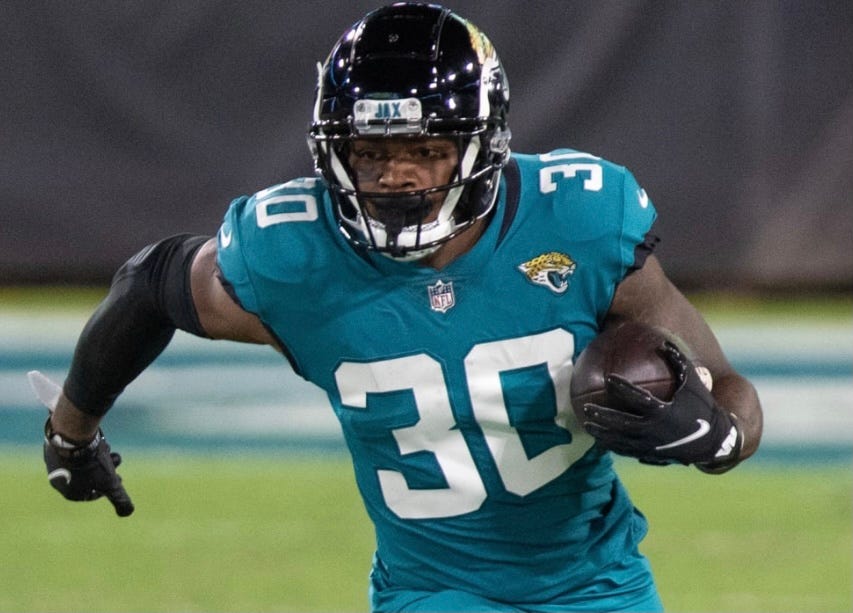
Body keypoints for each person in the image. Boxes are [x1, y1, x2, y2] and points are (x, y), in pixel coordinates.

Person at [33, 3, 763, 612]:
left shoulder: (577, 221)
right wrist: (70, 434)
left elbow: (728, 387)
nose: (396, 177)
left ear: (481, 145)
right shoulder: (293, 254)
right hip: (431, 592)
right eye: (371, 152)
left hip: (601, 586)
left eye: (425, 149)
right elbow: (150, 283)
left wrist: (719, 437)